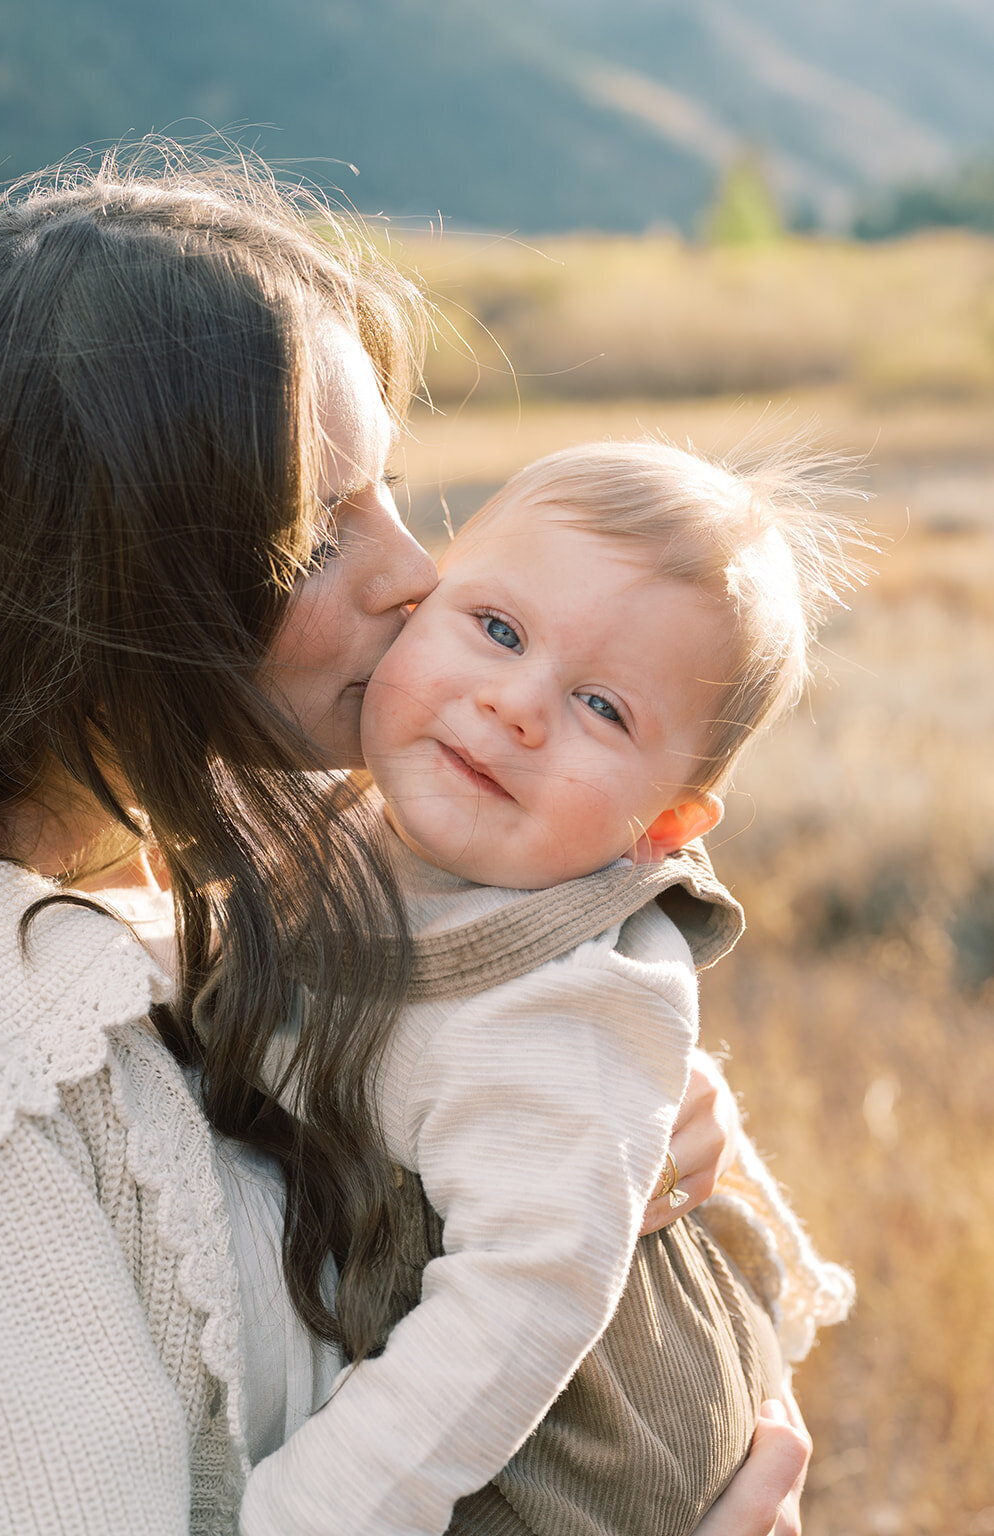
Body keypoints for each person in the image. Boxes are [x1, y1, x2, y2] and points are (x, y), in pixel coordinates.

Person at [0, 153, 812, 1536]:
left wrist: (660, 1115)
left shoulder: (162, 878)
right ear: (94, 598)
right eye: (308, 542)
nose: (417, 574)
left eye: (391, 488)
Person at [242, 442, 860, 1536]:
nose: (517, 704)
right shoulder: (343, 832)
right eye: (496, 628)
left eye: (603, 708)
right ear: (420, 607)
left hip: (579, 1469)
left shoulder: (563, 1012)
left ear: (662, 828)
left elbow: (520, 1306)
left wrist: (311, 1512)